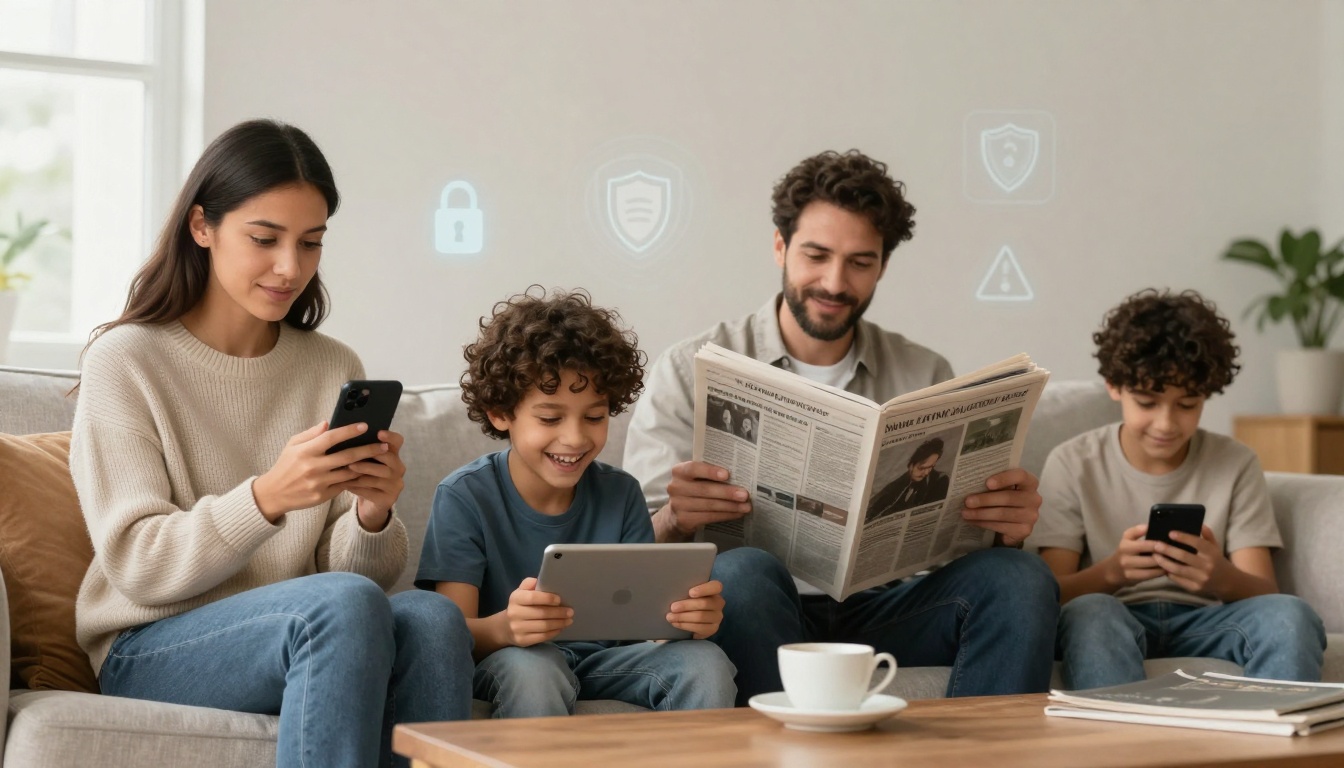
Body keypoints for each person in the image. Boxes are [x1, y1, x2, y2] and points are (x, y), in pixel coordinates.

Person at [72, 119, 474, 768]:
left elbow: (355, 580)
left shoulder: (330, 365)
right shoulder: (127, 360)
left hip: (311, 627)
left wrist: (371, 515)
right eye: (265, 239)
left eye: (311, 243)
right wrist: (266, 498)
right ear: (202, 227)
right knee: (337, 609)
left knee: (432, 621)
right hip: (151, 646)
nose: (291, 267)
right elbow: (136, 564)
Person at [623, 149, 1059, 704]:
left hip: (888, 609)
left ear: (882, 266)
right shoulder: (691, 369)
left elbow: (957, 545)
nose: (834, 281)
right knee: (744, 574)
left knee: (1021, 579)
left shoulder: (926, 373)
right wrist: (677, 518)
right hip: (757, 608)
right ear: (780, 246)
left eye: (860, 262)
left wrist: (1005, 530)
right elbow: (636, 546)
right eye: (816, 255)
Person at [416, 288, 736, 718]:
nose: (576, 438)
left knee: (706, 663)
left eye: (594, 416)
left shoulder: (622, 494)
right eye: (550, 418)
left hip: (605, 662)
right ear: (500, 412)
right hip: (512, 658)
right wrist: (507, 627)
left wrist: (687, 622)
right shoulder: (465, 496)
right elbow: (451, 636)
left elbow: (646, 630)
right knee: (535, 669)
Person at [1026, 289, 1326, 690]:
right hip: (1116, 614)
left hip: (1208, 621)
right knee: (1090, 613)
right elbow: (1052, 595)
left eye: (1187, 405)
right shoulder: (1073, 462)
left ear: (1207, 395)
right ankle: (1125, 748)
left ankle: (1268, 746)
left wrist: (1217, 575)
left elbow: (1264, 592)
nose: (1166, 424)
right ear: (1114, 386)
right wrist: (1113, 571)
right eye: (1147, 402)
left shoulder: (1236, 463)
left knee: (1290, 614)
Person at [867, 437, 951, 520]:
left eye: (931, 467)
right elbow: (879, 504)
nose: (926, 473)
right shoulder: (900, 482)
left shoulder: (940, 481)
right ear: (910, 465)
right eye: (921, 468)